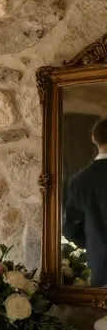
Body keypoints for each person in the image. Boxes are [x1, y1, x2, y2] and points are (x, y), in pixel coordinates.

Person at [63, 117, 107, 287]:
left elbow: (71, 229)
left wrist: (94, 242)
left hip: (100, 266)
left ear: (93, 138)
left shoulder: (79, 181)